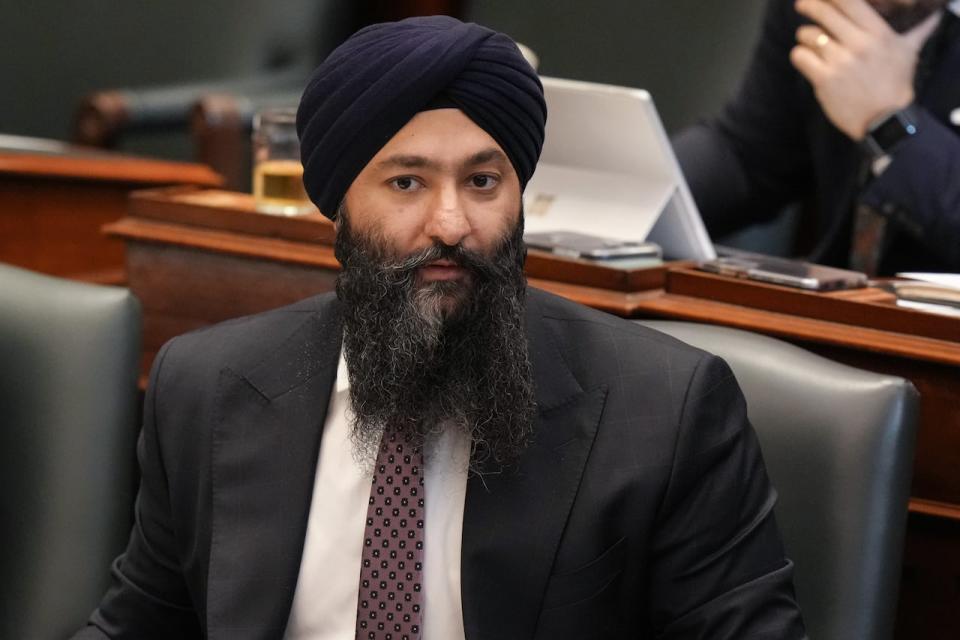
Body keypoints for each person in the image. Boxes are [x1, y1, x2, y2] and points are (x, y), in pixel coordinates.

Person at [72, 16, 805, 640]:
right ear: (338, 207)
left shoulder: (667, 411)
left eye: (483, 182)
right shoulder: (205, 387)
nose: (451, 224)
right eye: (406, 183)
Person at [674, 0, 960, 275]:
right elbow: (749, 156)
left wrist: (890, 126)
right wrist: (644, 187)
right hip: (830, 308)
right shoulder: (819, 8)